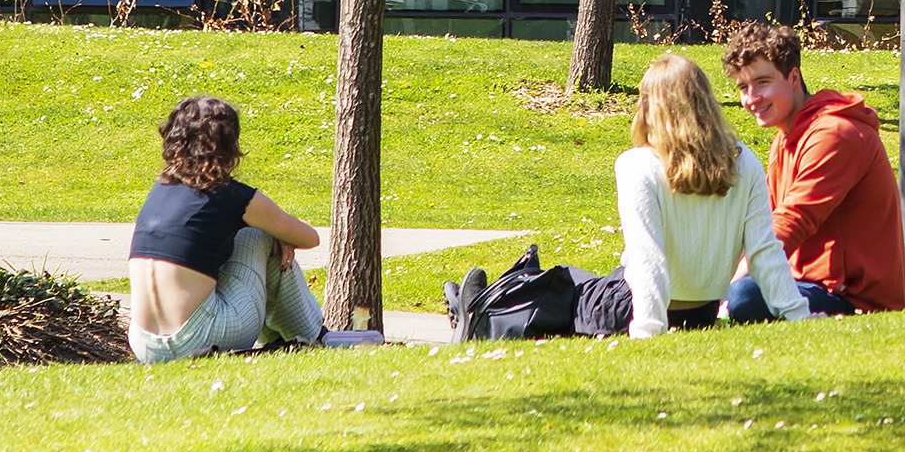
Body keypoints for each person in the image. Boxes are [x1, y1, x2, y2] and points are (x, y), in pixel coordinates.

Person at [440, 52, 808, 343]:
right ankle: (479, 302)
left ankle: (479, 311)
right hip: (700, 312)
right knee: (574, 279)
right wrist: (797, 315)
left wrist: (648, 328)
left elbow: (649, 258)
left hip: (637, 306)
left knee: (558, 284)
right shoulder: (743, 162)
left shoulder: (638, 165)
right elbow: (765, 251)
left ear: (650, 106)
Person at [127, 92, 382, 361]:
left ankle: (298, 336)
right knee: (257, 233)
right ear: (228, 144)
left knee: (255, 232)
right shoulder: (232, 196)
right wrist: (275, 232)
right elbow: (309, 238)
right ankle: (315, 335)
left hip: (143, 345)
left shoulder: (159, 191)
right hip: (193, 339)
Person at [736, 21, 905, 312]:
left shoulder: (836, 133)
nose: (751, 99)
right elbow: (760, 222)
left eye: (762, 82)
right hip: (803, 282)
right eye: (744, 87)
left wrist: (727, 292)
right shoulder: (784, 140)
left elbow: (792, 221)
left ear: (794, 78)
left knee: (745, 296)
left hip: (853, 299)